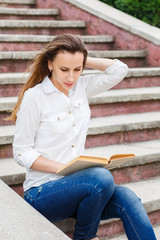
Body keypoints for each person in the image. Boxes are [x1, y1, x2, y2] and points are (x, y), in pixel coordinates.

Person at [10, 33, 156, 240]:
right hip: (43, 192)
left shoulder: (81, 87)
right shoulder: (35, 97)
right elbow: (21, 152)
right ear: (50, 64)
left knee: (128, 198)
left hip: (84, 191)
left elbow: (119, 70)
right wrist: (62, 168)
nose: (71, 77)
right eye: (64, 69)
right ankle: (85, 237)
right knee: (100, 177)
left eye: (77, 69)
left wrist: (81, 59)